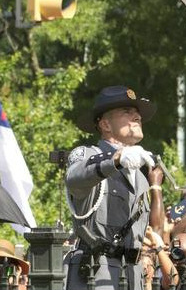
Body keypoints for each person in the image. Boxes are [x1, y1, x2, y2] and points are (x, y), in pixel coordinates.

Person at [64, 86, 158, 290]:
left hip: (132, 275)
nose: (137, 116)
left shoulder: (140, 177)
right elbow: (74, 179)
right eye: (127, 111)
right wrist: (115, 159)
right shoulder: (87, 155)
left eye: (137, 113)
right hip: (96, 273)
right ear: (105, 124)